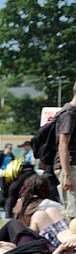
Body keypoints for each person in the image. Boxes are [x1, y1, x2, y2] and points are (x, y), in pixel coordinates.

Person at [55, 82, 76, 218]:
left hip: (71, 167)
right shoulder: (70, 114)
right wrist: (67, 175)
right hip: (69, 167)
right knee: (73, 212)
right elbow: (63, 145)